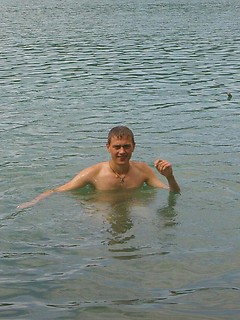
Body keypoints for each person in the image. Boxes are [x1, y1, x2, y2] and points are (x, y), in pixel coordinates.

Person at [17, 126, 180, 210]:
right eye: (117, 147)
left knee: (149, 220)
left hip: (133, 205)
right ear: (108, 147)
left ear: (133, 147)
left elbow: (173, 193)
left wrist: (169, 176)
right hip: (102, 208)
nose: (122, 151)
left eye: (126, 146)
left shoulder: (143, 170)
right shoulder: (94, 173)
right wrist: (33, 202)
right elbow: (59, 190)